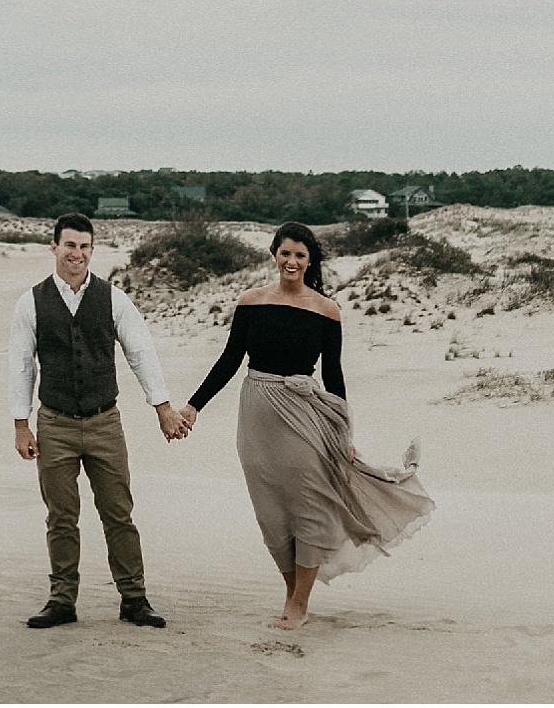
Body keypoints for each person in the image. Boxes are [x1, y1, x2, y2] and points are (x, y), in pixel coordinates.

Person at [178, 221, 433, 630]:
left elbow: (333, 376)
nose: (291, 261)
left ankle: (300, 603)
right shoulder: (251, 302)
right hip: (258, 414)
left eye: (300, 255)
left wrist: (345, 432)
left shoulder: (326, 309)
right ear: (274, 255)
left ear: (309, 260)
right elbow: (229, 360)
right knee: (272, 513)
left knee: (310, 506)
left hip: (305, 414)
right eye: (285, 253)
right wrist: (194, 406)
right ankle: (291, 591)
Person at [9, 211, 188, 630]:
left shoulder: (114, 298)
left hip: (105, 422)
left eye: (85, 246)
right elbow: (21, 366)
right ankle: (61, 600)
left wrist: (162, 407)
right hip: (54, 424)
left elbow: (140, 352)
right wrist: (22, 424)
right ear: (54, 247)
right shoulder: (30, 302)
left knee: (118, 513)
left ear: (93, 249)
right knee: (61, 516)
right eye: (69, 245)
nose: (77, 253)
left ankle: (134, 599)